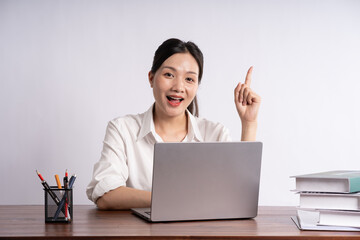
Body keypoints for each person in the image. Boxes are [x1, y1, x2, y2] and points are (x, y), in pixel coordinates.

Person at [86, 38, 261, 210]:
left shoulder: (214, 133)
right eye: (169, 75)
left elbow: (239, 197)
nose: (178, 87)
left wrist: (249, 123)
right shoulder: (122, 129)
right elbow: (105, 194)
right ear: (151, 78)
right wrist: (176, 200)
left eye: (189, 79)